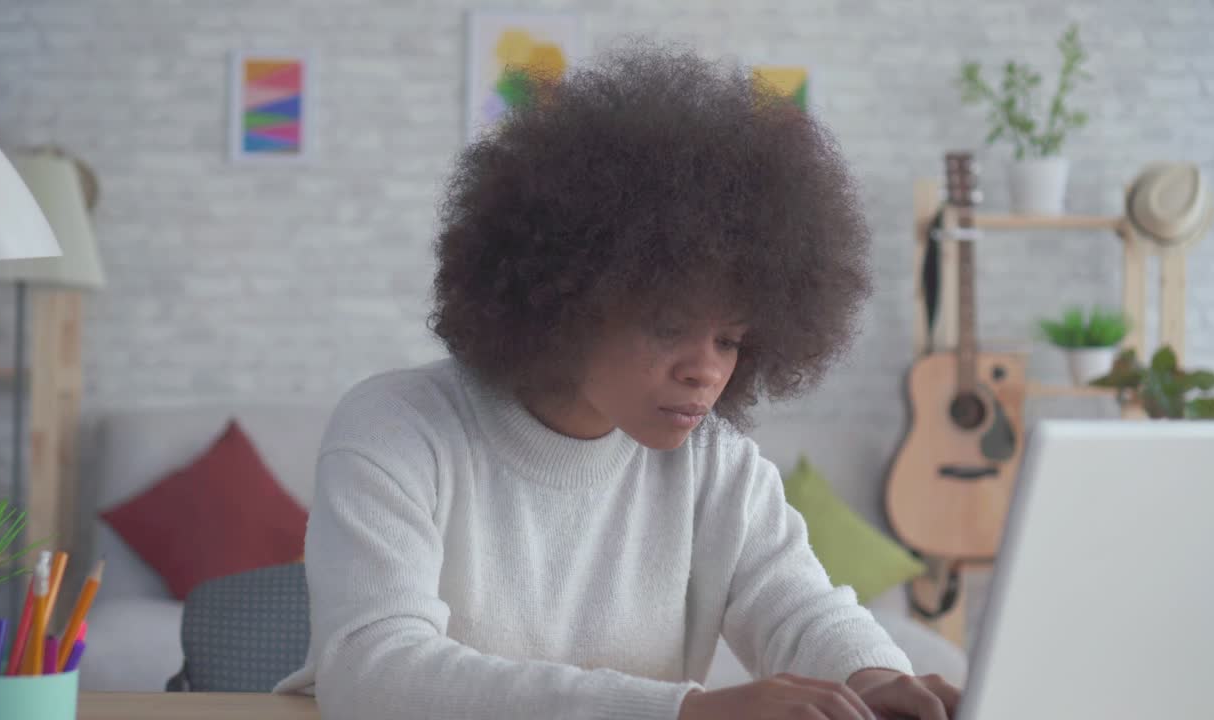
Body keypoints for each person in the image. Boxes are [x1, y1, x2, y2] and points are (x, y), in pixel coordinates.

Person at [275, 40, 961, 720]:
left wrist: (874, 678)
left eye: (729, 339)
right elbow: (374, 672)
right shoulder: (399, 429)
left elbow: (802, 612)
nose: (706, 369)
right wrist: (685, 713)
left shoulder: (716, 469)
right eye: (668, 326)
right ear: (563, 301)